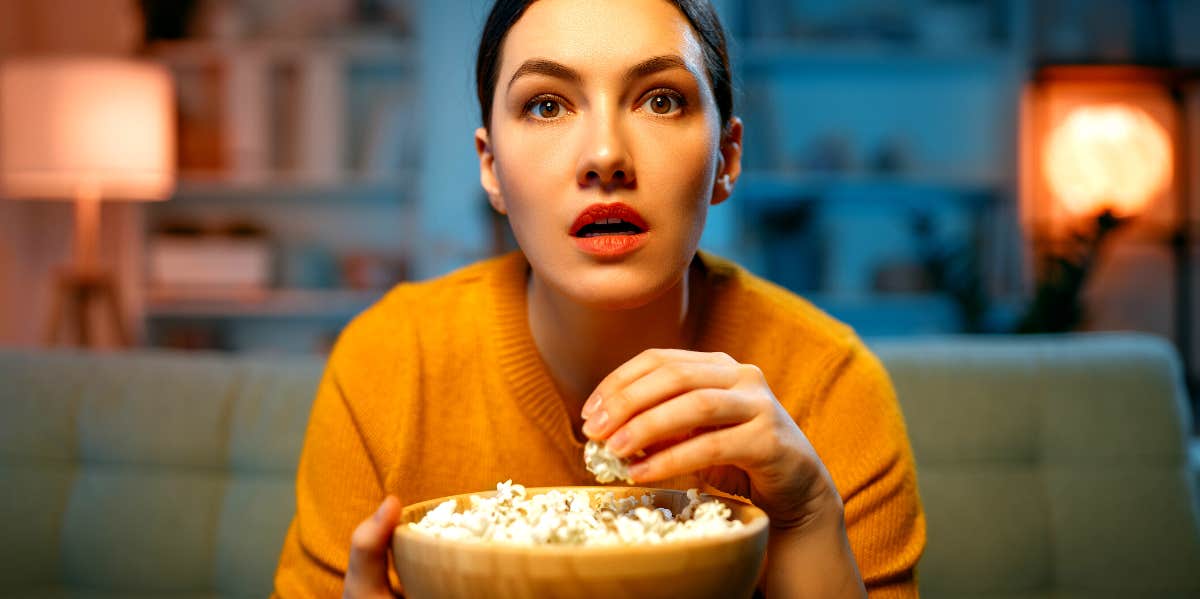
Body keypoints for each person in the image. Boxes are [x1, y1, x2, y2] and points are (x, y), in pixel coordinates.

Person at [272, 0, 926, 597]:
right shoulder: (386, 362)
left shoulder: (831, 384)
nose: (606, 155)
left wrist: (809, 512)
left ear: (726, 158)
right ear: (491, 168)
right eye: (547, 105)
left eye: (662, 100)